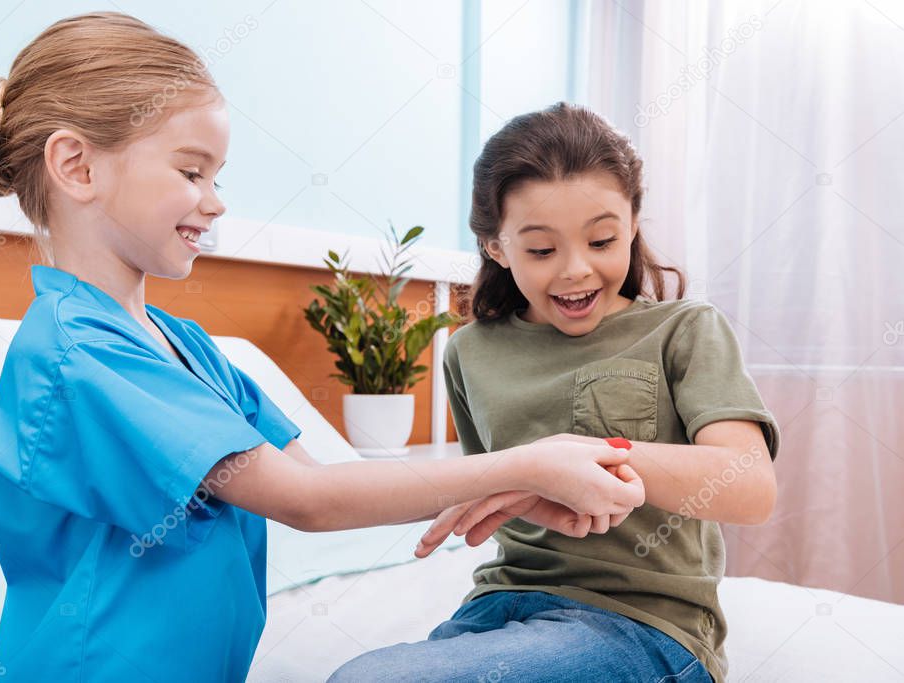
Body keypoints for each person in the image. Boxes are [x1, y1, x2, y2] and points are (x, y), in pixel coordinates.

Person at [0, 15, 645, 682]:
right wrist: (528, 459)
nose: (214, 201)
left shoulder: (185, 347)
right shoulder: (79, 354)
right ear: (77, 166)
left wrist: (516, 487)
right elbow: (306, 500)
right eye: (191, 172)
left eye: (217, 176)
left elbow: (330, 476)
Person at [329, 103, 781, 683]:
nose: (576, 270)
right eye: (542, 250)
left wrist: (570, 457)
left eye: (601, 240)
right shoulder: (470, 351)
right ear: (496, 247)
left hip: (645, 622)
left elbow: (750, 487)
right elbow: (488, 486)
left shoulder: (684, 330)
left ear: (633, 222)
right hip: (499, 606)